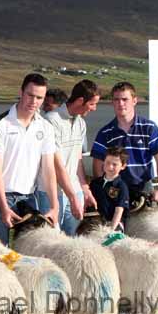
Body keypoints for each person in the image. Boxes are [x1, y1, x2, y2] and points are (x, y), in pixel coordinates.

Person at [0, 73, 58, 244]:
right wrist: (3, 207)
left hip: (29, 199)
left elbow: (48, 170)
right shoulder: (1, 124)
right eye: (30, 95)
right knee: (0, 254)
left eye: (39, 97)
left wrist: (55, 206)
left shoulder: (46, 127)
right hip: (2, 199)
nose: (34, 101)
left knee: (28, 255)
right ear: (21, 92)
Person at [40, 79, 100, 235]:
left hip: (74, 190)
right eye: (92, 104)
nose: (94, 109)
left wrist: (84, 188)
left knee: (74, 240)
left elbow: (77, 159)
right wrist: (72, 197)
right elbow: (56, 164)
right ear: (81, 100)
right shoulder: (51, 121)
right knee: (52, 241)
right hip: (51, 193)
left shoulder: (81, 123)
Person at [92, 81, 158, 202]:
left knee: (148, 221)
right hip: (115, 189)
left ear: (134, 100)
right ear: (112, 102)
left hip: (144, 190)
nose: (120, 103)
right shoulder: (105, 133)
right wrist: (105, 190)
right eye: (116, 100)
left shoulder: (149, 127)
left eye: (125, 99)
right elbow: (97, 166)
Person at [90, 146, 130, 232]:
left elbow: (119, 210)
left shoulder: (121, 186)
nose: (110, 167)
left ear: (123, 166)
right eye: (107, 162)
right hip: (97, 225)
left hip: (114, 226)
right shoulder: (95, 183)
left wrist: (111, 230)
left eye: (114, 164)